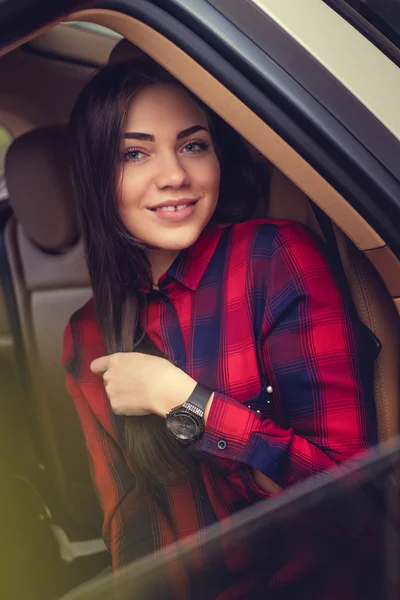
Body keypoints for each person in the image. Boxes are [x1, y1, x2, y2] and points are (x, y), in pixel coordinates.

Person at [63, 56, 377, 599]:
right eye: (135, 153)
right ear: (96, 176)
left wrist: (188, 404)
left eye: (193, 145)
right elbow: (128, 522)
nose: (175, 175)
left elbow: (354, 503)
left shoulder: (274, 258)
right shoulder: (87, 331)